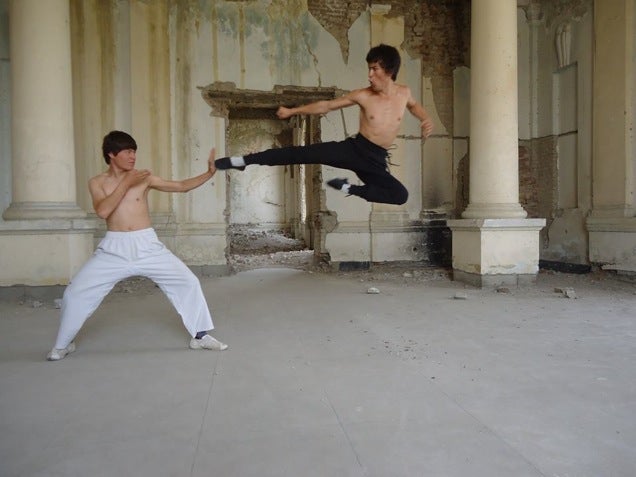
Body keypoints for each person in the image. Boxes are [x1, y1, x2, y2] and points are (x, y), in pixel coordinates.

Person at [47, 130, 227, 361]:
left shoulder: (143, 179)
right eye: (128, 151)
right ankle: (63, 344)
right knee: (75, 293)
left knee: (188, 282)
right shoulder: (97, 182)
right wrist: (126, 183)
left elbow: (181, 186)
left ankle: (200, 337)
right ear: (112, 154)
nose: (133, 157)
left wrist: (209, 174)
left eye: (134, 152)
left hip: (147, 244)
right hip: (114, 248)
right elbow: (103, 211)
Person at [214, 44, 434, 205]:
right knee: (299, 153)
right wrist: (294, 110)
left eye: (374, 69)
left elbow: (415, 107)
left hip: (376, 161)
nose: (369, 75)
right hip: (355, 149)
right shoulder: (362, 95)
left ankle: (348, 187)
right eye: (369, 68)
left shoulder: (404, 93)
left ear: (390, 70)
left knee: (400, 196)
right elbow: (326, 106)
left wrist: (425, 119)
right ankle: (243, 160)